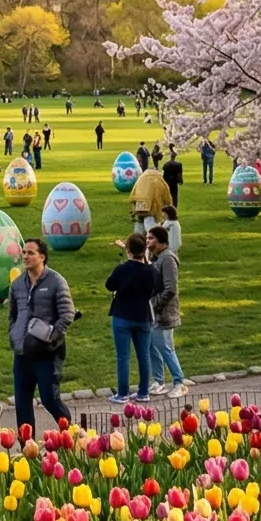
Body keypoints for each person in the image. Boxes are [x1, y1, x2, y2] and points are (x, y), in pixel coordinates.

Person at [7, 239, 79, 434]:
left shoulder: (56, 281)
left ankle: (70, 435)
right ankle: (27, 450)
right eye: (24, 252)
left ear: (42, 256)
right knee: (22, 403)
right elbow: (13, 315)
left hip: (47, 353)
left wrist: (52, 338)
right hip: (22, 352)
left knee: (49, 398)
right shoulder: (17, 285)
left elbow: (67, 314)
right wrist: (14, 335)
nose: (26, 256)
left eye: (30, 253)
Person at [103, 234, 161, 400]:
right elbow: (157, 287)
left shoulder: (122, 269)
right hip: (143, 315)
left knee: (123, 356)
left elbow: (109, 285)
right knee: (143, 355)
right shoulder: (151, 271)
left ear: (128, 250)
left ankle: (122, 393)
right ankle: (143, 392)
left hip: (122, 314)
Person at [146, 225, 187, 391]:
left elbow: (170, 289)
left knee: (166, 348)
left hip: (164, 313)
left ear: (160, 240)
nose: (147, 241)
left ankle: (179, 382)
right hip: (152, 313)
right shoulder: (156, 257)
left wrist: (154, 304)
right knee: (152, 347)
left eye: (151, 238)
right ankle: (159, 381)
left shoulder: (168, 259)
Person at [128, 157, 174, 234]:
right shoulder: (159, 179)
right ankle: (154, 239)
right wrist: (169, 205)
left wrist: (134, 204)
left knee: (139, 221)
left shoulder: (142, 177)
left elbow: (133, 192)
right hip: (152, 206)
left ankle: (137, 240)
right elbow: (166, 193)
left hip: (139, 205)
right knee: (150, 225)